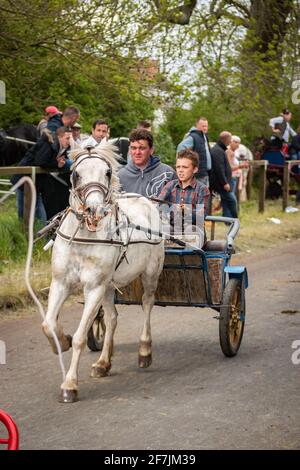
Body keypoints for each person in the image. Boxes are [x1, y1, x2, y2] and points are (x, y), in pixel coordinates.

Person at [12, 127, 72, 221]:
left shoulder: (59, 147)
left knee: (39, 213)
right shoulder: (47, 143)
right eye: (67, 138)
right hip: (23, 179)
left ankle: (41, 234)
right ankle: (23, 234)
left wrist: (57, 164)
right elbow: (41, 161)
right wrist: (57, 164)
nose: (69, 141)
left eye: (70, 139)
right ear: (59, 137)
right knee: (24, 213)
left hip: (35, 183)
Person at [158, 149, 209, 242]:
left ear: (195, 169)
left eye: (185, 167)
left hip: (194, 228)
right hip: (173, 228)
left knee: (190, 231)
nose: (180, 170)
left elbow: (201, 216)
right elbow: (159, 204)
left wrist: (186, 210)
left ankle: (190, 253)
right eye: (178, 167)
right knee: (163, 229)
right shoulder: (170, 185)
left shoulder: (202, 189)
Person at [118, 128, 176, 197]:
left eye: (142, 148)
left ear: (151, 150)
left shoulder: (168, 173)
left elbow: (179, 205)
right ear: (129, 150)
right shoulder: (120, 176)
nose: (137, 152)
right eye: (133, 148)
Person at [177, 117, 212, 187]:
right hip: (198, 174)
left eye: (206, 126)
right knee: (198, 195)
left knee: (204, 195)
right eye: (203, 126)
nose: (205, 128)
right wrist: (189, 161)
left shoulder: (204, 136)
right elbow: (181, 147)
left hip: (205, 172)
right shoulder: (193, 136)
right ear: (197, 125)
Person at [210, 131, 238, 219]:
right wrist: (225, 183)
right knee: (232, 201)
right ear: (225, 139)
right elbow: (219, 169)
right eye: (230, 139)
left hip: (222, 183)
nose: (230, 142)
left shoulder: (221, 149)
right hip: (220, 184)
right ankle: (235, 221)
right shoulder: (218, 150)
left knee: (227, 201)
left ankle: (228, 220)